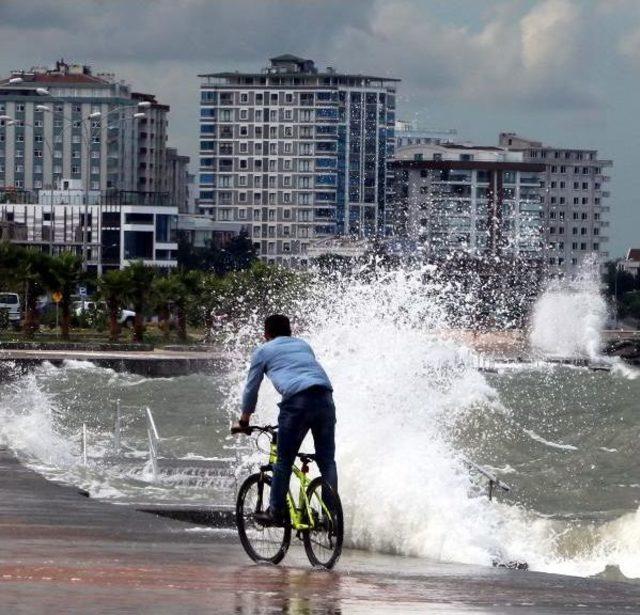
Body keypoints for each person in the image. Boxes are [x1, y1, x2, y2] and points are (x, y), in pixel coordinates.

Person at [236, 314, 337, 526]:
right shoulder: (303, 345)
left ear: (266, 334)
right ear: (290, 331)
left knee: (283, 460)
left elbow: (251, 388)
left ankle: (276, 512)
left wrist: (244, 420)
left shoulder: (263, 351)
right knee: (327, 461)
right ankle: (330, 517)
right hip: (326, 399)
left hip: (297, 403)